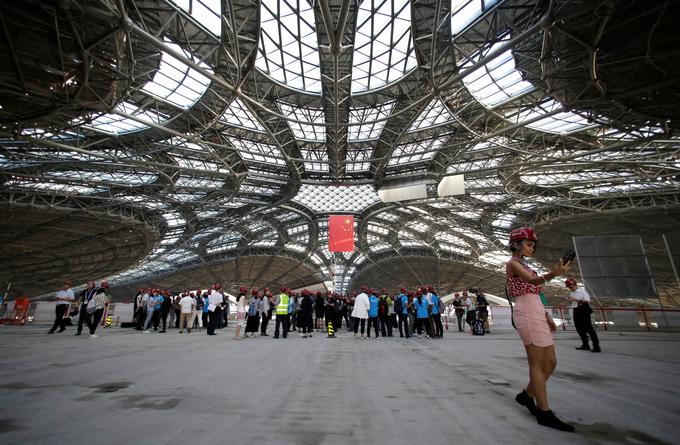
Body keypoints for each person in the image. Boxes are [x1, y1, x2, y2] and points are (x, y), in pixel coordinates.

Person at [506, 227, 574, 432]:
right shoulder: (513, 264)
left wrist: (546, 315)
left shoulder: (526, 265)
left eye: (533, 246)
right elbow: (532, 282)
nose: (532, 248)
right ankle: (543, 412)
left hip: (536, 310)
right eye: (528, 244)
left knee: (551, 362)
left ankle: (526, 396)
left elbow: (536, 291)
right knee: (537, 363)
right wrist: (555, 273)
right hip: (526, 310)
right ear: (516, 245)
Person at [565, 278, 601, 353]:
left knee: (589, 328)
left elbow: (587, 301)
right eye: (568, 286)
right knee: (579, 329)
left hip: (583, 310)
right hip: (576, 310)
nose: (570, 288)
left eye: (571, 286)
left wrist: (575, 300)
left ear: (575, 284)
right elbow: (573, 303)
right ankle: (585, 345)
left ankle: (596, 346)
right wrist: (570, 301)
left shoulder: (582, 292)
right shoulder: (571, 293)